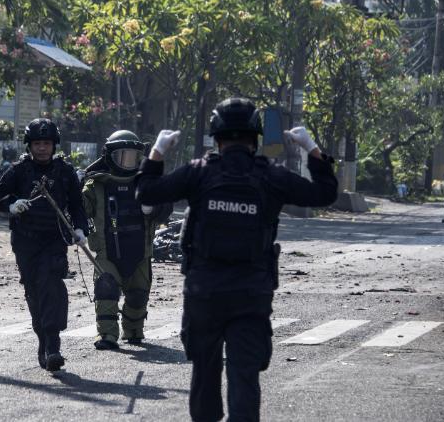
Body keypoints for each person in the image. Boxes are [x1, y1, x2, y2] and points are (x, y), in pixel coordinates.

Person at [136, 97, 338, 421]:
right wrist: (312, 150)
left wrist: (157, 153)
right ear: (255, 138)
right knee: (244, 375)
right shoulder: (271, 176)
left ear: (217, 137)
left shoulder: (199, 173)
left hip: (204, 294)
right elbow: (325, 194)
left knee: (205, 371)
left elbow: (146, 192)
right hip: (251, 295)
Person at [0, 118, 89, 372]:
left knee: (52, 288)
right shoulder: (18, 171)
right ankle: (43, 341)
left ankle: (54, 347)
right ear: (29, 146)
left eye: (46, 143)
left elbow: (77, 205)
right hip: (25, 242)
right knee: (34, 292)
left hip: (54, 241)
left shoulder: (65, 172)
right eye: (37, 144)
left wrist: (80, 229)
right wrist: (12, 205)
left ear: (54, 145)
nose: (42, 148)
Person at [81, 130, 172, 350]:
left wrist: (154, 206)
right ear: (109, 157)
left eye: (132, 156)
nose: (127, 162)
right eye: (121, 156)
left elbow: (166, 207)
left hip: (140, 251)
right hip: (107, 251)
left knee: (139, 294)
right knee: (106, 288)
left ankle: (133, 331)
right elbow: (79, 209)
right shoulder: (96, 184)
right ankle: (107, 335)